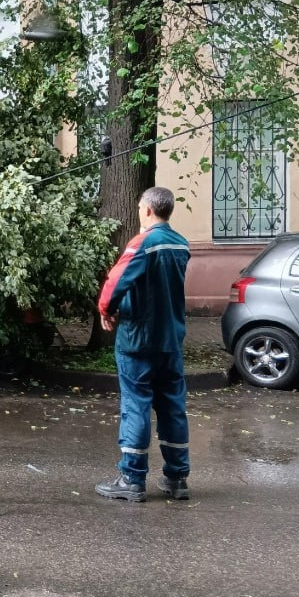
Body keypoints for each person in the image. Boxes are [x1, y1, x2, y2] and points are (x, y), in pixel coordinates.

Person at [94, 187, 191, 502]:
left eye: (139, 208)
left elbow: (115, 283)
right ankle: (177, 479)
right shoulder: (180, 244)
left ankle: (132, 479)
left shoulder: (142, 243)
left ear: (148, 210)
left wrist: (105, 310)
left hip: (138, 342)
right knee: (173, 409)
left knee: (135, 406)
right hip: (170, 341)